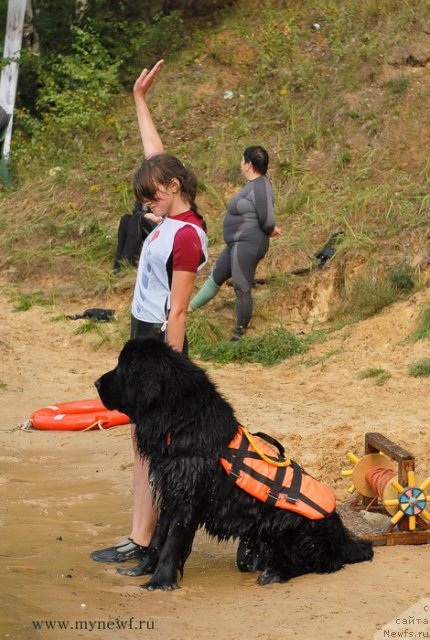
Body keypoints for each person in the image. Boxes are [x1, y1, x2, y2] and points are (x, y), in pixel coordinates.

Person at [90, 59, 208, 571]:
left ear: (176, 187)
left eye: (154, 193)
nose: (148, 202)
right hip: (143, 335)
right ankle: (142, 536)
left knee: (155, 445)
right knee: (142, 441)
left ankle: (149, 541)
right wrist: (140, 99)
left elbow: (179, 309)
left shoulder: (186, 233)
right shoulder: (168, 213)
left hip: (161, 341)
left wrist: (174, 373)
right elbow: (154, 157)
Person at [189, 146, 281, 341]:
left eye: (242, 160)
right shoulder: (253, 185)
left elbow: (267, 220)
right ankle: (186, 311)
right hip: (236, 244)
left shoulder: (262, 185)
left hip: (248, 243)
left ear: (248, 164)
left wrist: (271, 229)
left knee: (242, 286)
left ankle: (239, 336)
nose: (240, 164)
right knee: (215, 278)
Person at [112, 201, 156, 275]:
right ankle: (118, 263)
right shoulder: (142, 195)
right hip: (143, 223)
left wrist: (146, 215)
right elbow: (136, 211)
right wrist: (145, 213)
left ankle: (128, 262)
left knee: (136, 218)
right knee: (125, 219)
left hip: (157, 227)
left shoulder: (158, 193)